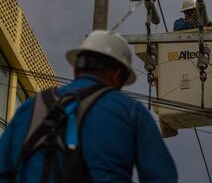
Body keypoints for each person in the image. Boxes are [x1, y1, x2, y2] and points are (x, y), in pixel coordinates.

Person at [0, 30, 178, 183]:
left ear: (76, 69)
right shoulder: (131, 112)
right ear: (117, 75)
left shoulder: (30, 107)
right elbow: (161, 176)